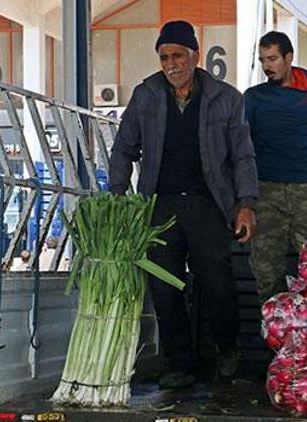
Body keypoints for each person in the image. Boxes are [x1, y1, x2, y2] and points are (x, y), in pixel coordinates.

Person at [109, 20, 258, 389]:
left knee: (218, 282)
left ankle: (226, 352)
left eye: (177, 55)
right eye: (164, 57)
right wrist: (117, 195)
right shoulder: (146, 95)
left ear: (195, 54)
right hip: (160, 208)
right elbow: (124, 147)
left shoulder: (226, 97)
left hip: (208, 204)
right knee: (164, 288)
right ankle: (180, 363)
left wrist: (246, 203)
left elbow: (243, 156)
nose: (171, 63)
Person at [245, 31, 307, 304]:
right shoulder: (253, 98)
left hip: (305, 192)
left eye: (273, 58)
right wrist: (243, 199)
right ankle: (274, 338)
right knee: (266, 271)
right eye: (263, 59)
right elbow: (240, 150)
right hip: (265, 192)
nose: (267, 66)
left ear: (289, 58)